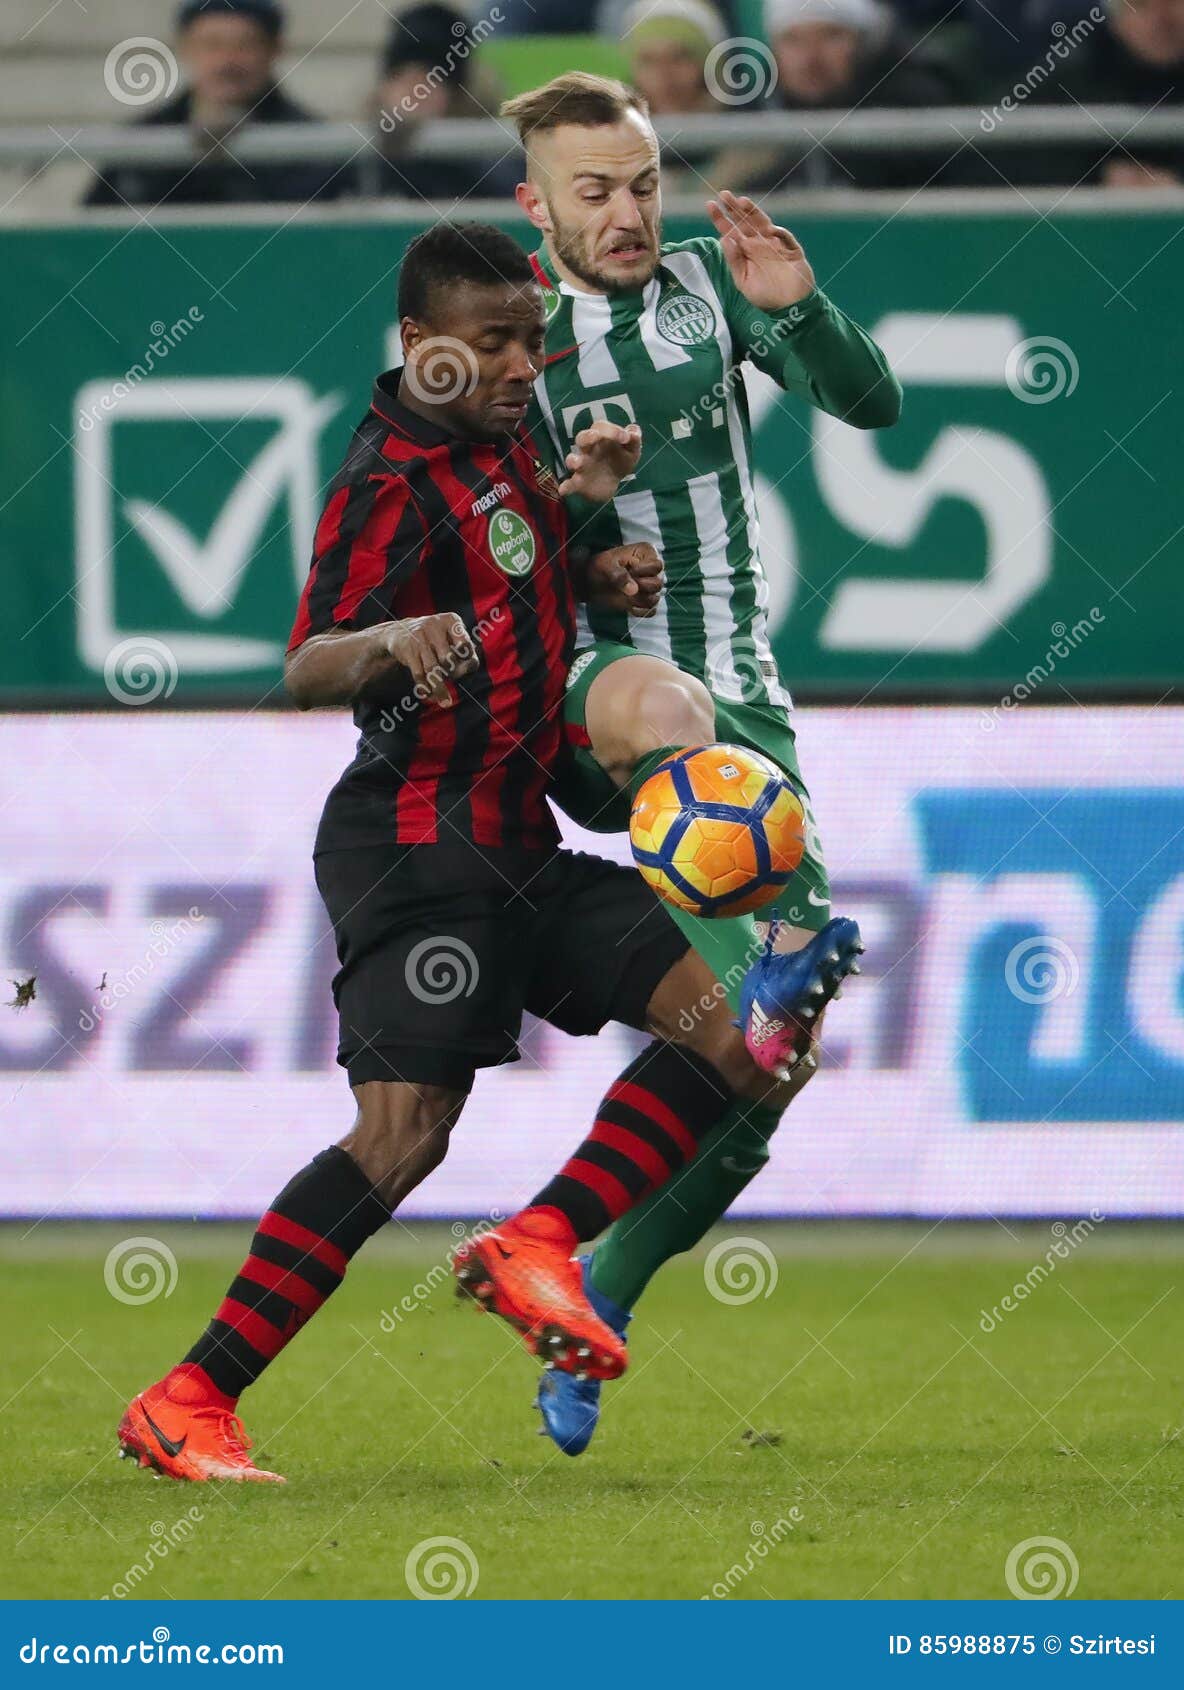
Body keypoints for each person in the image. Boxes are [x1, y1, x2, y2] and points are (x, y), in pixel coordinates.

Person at [115, 222, 802, 1484]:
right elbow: (307, 660)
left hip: (515, 842)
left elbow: (509, 579)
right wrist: (393, 636)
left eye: (529, 340)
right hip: (414, 846)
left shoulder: (500, 455)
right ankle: (189, 1395)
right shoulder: (387, 481)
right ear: (417, 347)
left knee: (743, 1039)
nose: (518, 365)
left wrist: (593, 547)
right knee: (401, 1137)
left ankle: (538, 1240)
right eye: (488, 345)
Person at [499, 71, 896, 1453]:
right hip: (597, 694)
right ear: (532, 200)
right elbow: (463, 541)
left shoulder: (705, 289)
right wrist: (572, 499)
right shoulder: (506, 335)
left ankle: (591, 1286)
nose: (623, 212)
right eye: (592, 189)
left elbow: (871, 402)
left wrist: (797, 306)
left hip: (744, 704)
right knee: (666, 708)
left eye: (640, 183)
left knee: (766, 1061)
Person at [85, 0, 343, 209]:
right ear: (185, 48)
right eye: (212, 45)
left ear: (275, 50)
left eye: (245, 45)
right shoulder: (141, 141)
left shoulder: (315, 146)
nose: (227, 61)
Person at [745, 0, 960, 191]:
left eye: (831, 35)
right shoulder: (750, 114)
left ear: (864, 43)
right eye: (792, 40)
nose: (810, 59)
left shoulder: (916, 104)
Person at [355, 3, 521, 203]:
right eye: (401, 75)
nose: (414, 89)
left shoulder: (492, 163)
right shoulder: (355, 159)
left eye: (432, 77)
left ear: (458, 94)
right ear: (384, 86)